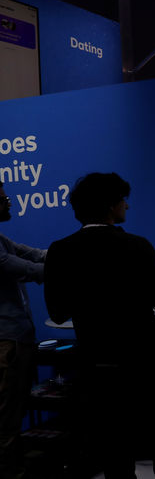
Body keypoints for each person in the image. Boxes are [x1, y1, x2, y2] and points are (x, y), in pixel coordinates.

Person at [44, 173, 155, 479]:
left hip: (96, 365)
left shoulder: (60, 250)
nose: (128, 206)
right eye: (123, 200)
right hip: (143, 363)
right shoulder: (137, 246)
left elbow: (56, 313)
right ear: (110, 206)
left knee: (114, 454)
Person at [0, 182, 47, 479]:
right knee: (5, 418)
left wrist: (72, 252)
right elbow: (21, 267)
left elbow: (35, 255)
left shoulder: (2, 239)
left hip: (15, 339)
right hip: (6, 343)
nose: (9, 202)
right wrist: (75, 265)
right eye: (3, 198)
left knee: (12, 415)